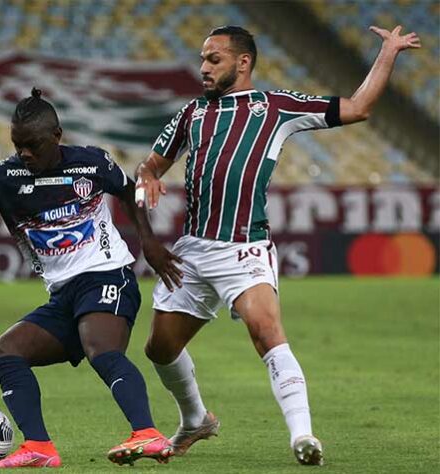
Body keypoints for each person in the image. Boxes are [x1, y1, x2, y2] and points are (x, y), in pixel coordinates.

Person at [135, 25, 421, 466]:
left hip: (243, 248)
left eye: (214, 59)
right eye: (202, 59)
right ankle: (196, 421)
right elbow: (150, 166)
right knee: (159, 349)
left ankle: (302, 436)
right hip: (191, 252)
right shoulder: (192, 113)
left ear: (243, 63)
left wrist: (388, 53)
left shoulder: (276, 107)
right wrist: (149, 178)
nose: (204, 67)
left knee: (266, 332)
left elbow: (359, 107)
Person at [0, 88, 179, 468]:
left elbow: (129, 193)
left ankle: (147, 433)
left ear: (56, 135)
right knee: (7, 353)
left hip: (106, 274)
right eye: (18, 145)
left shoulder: (92, 163)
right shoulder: (2, 177)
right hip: (64, 294)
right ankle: (38, 447)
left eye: (32, 145)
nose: (25, 153)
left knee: (101, 349)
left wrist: (149, 243)